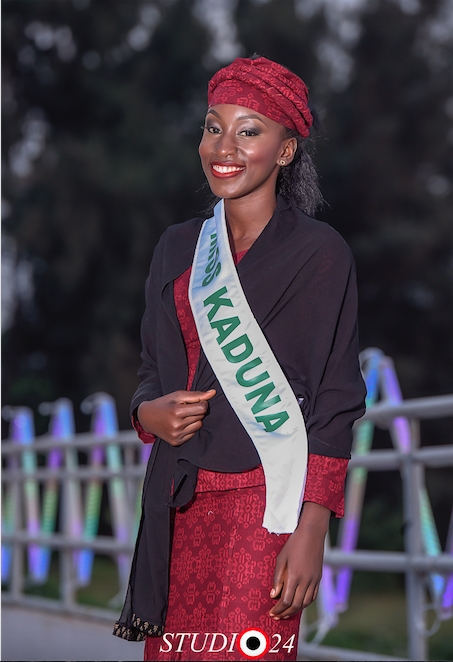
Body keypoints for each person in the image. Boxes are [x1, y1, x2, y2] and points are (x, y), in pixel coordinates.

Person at [114, 55, 366, 661]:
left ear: (285, 150)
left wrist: (312, 530)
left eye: (249, 130)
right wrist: (146, 413)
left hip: (265, 506)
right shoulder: (178, 247)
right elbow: (151, 373)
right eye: (212, 126)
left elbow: (335, 401)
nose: (223, 146)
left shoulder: (319, 254)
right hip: (178, 501)